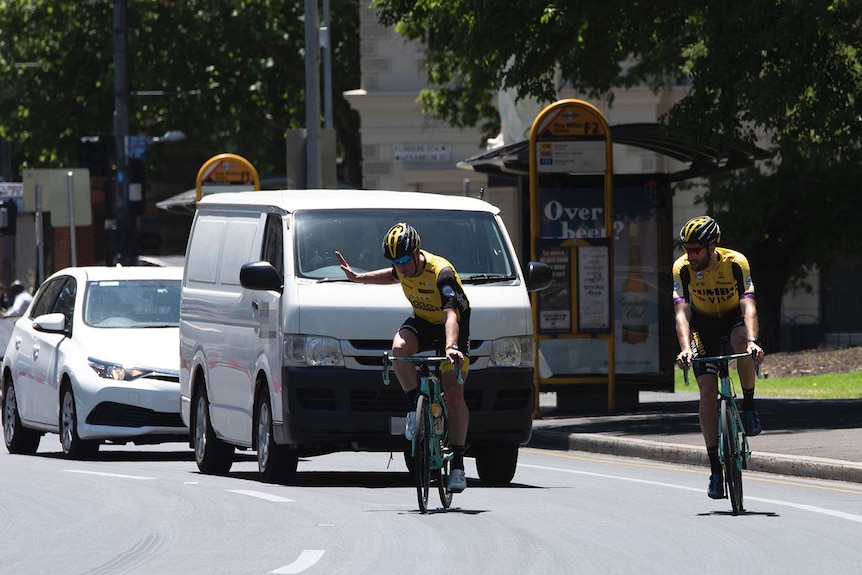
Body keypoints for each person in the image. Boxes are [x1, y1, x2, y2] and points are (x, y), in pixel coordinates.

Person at [335, 223, 471, 493]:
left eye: (405, 260)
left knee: (453, 391)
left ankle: (458, 463)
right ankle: (414, 408)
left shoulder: (441, 272)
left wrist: (452, 346)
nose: (401, 267)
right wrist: (358, 278)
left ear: (417, 252)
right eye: (396, 261)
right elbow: (392, 275)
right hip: (423, 321)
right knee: (398, 350)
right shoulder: (402, 267)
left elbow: (451, 315)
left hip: (451, 324)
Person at [672, 216, 765, 500]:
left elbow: (748, 305)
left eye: (697, 250)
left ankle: (748, 407)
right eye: (687, 249)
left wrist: (752, 342)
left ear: (713, 247)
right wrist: (685, 348)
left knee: (741, 343)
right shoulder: (682, 269)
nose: (691, 255)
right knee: (708, 392)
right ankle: (715, 469)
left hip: (732, 321)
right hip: (703, 327)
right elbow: (682, 313)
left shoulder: (736, 263)